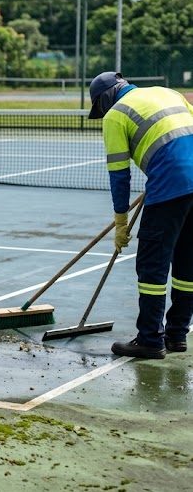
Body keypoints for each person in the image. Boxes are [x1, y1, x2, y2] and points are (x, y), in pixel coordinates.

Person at [88, 71, 193, 359]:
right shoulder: (167, 92)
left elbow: (119, 175)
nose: (103, 113)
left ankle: (149, 339)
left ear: (106, 98)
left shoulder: (116, 115)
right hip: (186, 181)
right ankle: (177, 335)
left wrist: (120, 222)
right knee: (187, 264)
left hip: (170, 186)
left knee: (152, 266)